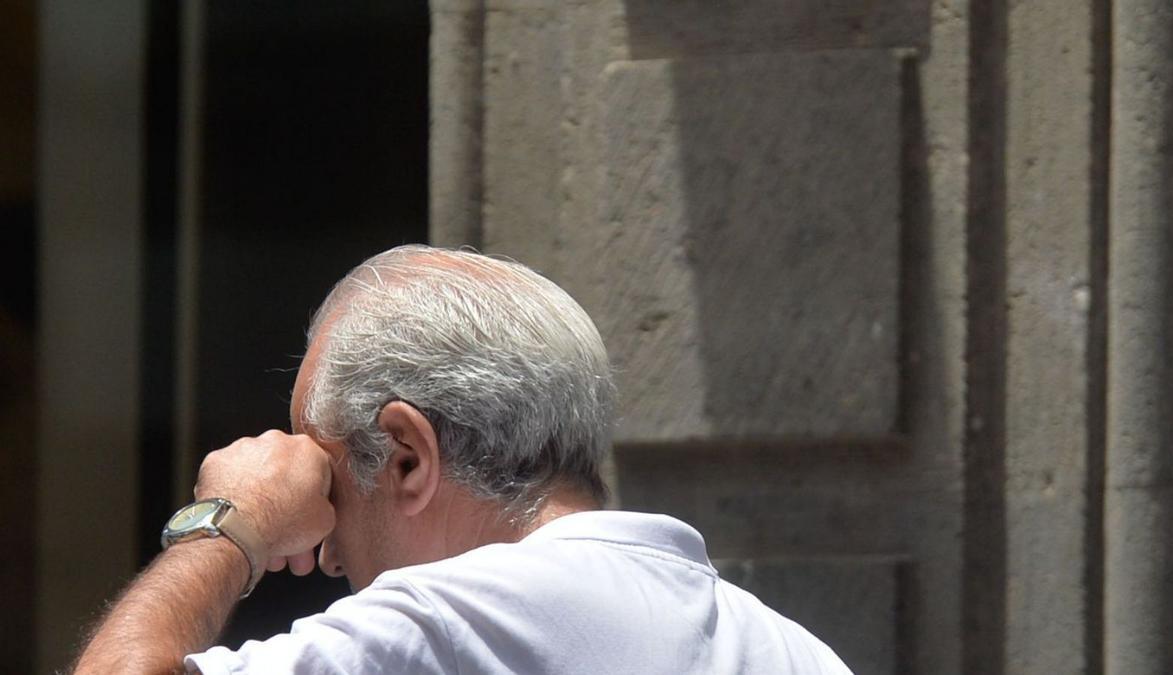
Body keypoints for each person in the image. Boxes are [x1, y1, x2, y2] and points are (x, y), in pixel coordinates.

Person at [73, 245, 852, 674]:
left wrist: (228, 525)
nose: (317, 546)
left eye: (323, 478)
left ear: (409, 456)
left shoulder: (452, 620)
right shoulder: (791, 650)